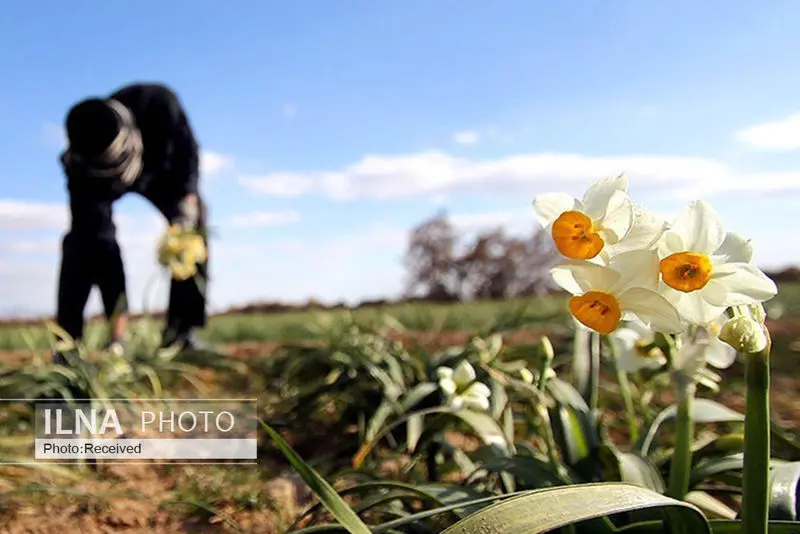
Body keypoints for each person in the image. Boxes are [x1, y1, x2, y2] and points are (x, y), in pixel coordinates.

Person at [55, 82, 210, 363]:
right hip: (98, 186)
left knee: (194, 229)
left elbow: (189, 153)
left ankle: (181, 332)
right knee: (86, 245)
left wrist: (187, 202)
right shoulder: (80, 165)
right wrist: (117, 336)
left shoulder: (159, 105)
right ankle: (69, 345)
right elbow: (97, 244)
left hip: (160, 173)